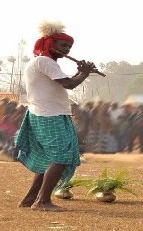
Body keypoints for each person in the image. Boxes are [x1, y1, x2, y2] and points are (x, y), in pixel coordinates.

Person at [15, 21, 96, 212]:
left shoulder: (44, 63)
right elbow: (68, 84)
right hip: (48, 115)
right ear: (50, 43)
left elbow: (65, 81)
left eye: (68, 47)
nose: (66, 49)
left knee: (51, 158)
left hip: (50, 114)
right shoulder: (44, 61)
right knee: (61, 157)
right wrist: (84, 73)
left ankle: (30, 199)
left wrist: (79, 73)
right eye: (63, 45)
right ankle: (42, 202)